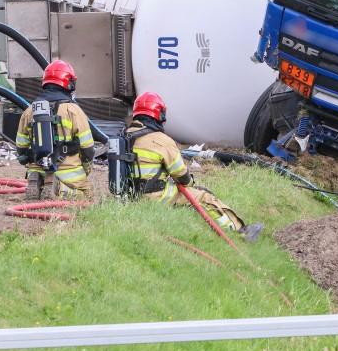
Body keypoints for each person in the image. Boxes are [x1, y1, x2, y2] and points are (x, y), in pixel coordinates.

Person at [124, 91, 262, 241]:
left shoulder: (124, 136)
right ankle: (241, 231)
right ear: (159, 115)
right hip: (154, 197)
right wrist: (191, 183)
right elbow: (181, 176)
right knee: (204, 196)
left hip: (129, 196)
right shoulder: (162, 140)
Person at [14, 60, 96, 199]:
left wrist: (32, 162)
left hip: (36, 168)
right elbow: (87, 148)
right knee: (87, 195)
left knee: (38, 174)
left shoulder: (29, 111)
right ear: (68, 84)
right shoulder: (74, 111)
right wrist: (86, 169)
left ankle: (37, 179)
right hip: (67, 173)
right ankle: (58, 187)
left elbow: (21, 148)